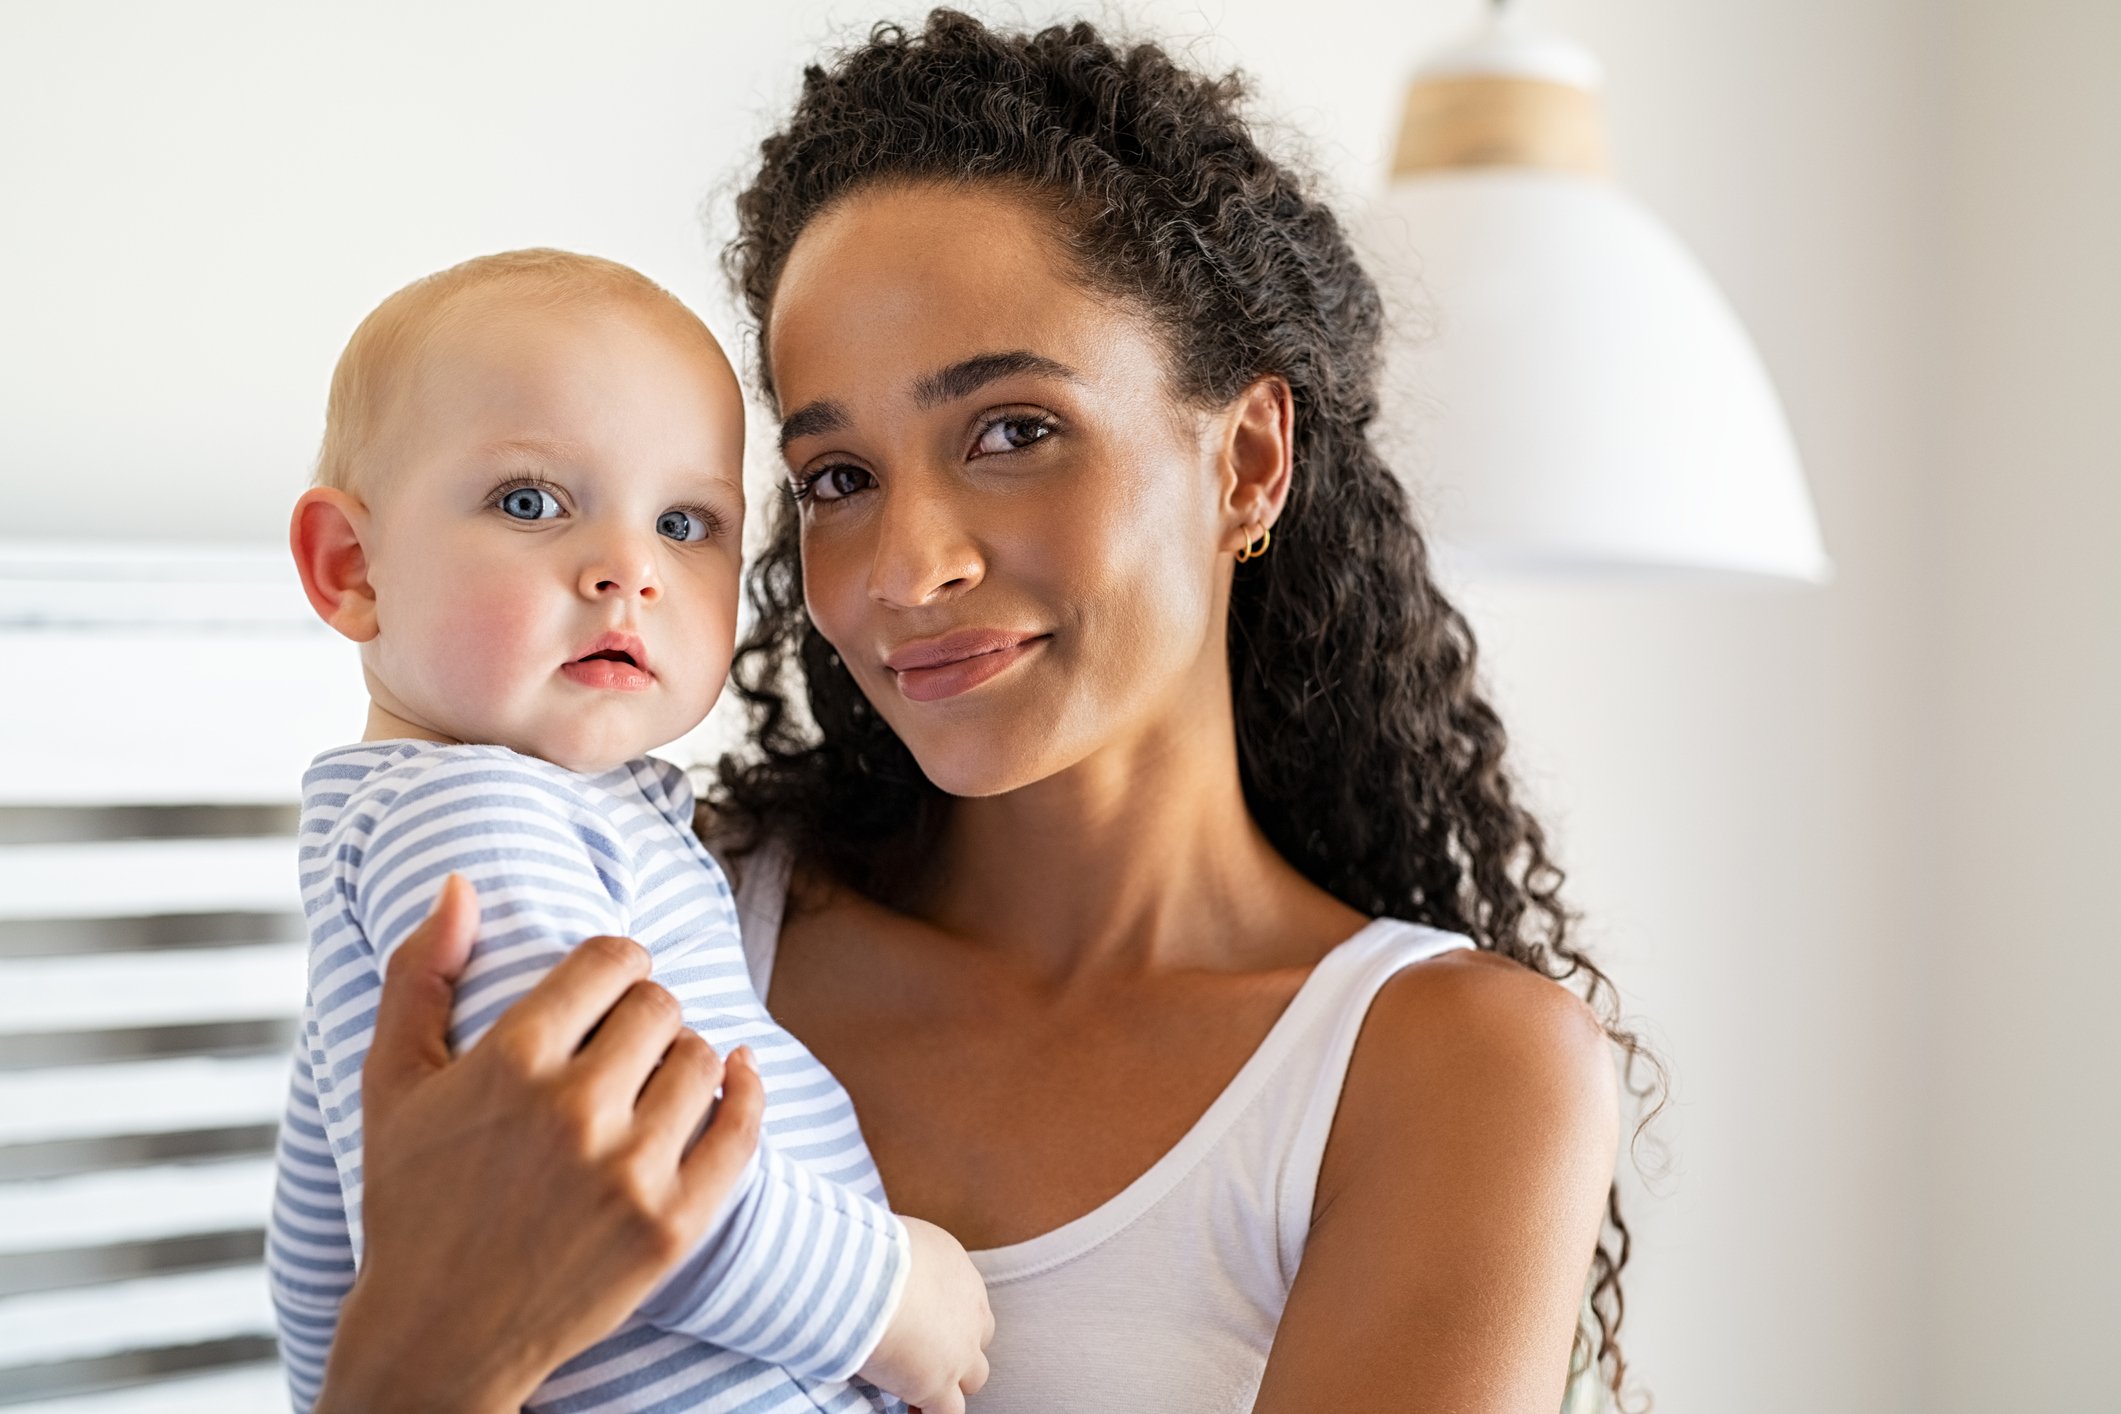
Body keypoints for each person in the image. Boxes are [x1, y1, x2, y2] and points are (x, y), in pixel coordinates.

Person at [314, 12, 1642, 1412]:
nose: (906, 568)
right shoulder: (642, 909)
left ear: (1247, 460)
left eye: (1012, 430)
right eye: (837, 476)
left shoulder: (1442, 1071)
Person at [271, 248, 992, 1414]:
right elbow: (606, 1162)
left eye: (685, 520)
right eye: (530, 502)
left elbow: (323, 1258)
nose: (628, 571)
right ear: (353, 568)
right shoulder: (475, 812)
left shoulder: (449, 824)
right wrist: (881, 1294)